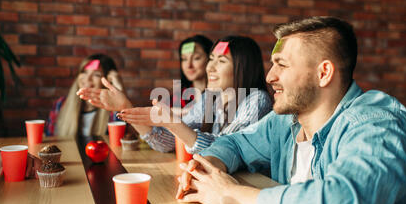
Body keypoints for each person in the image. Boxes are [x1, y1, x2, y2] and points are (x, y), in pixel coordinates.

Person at [175, 16, 406, 204]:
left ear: (323, 73)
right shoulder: (285, 120)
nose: (269, 76)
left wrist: (231, 195)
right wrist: (209, 166)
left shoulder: (376, 122)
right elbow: (236, 143)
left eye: (281, 65)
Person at [77, 36, 272, 154]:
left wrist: (173, 122)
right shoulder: (209, 98)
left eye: (220, 61)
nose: (209, 67)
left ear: (242, 68)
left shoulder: (257, 100)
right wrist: (125, 106)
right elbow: (167, 143)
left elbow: (228, 150)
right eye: (211, 59)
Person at [45, 54, 124, 137]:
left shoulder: (114, 110)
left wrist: (120, 91)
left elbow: (123, 139)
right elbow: (50, 139)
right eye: (84, 72)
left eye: (96, 74)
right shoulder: (60, 104)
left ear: (109, 81)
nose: (87, 78)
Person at [174, 35, 213, 109]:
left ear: (210, 59)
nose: (189, 65)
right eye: (184, 59)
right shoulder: (175, 100)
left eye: (196, 58)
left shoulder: (224, 96)